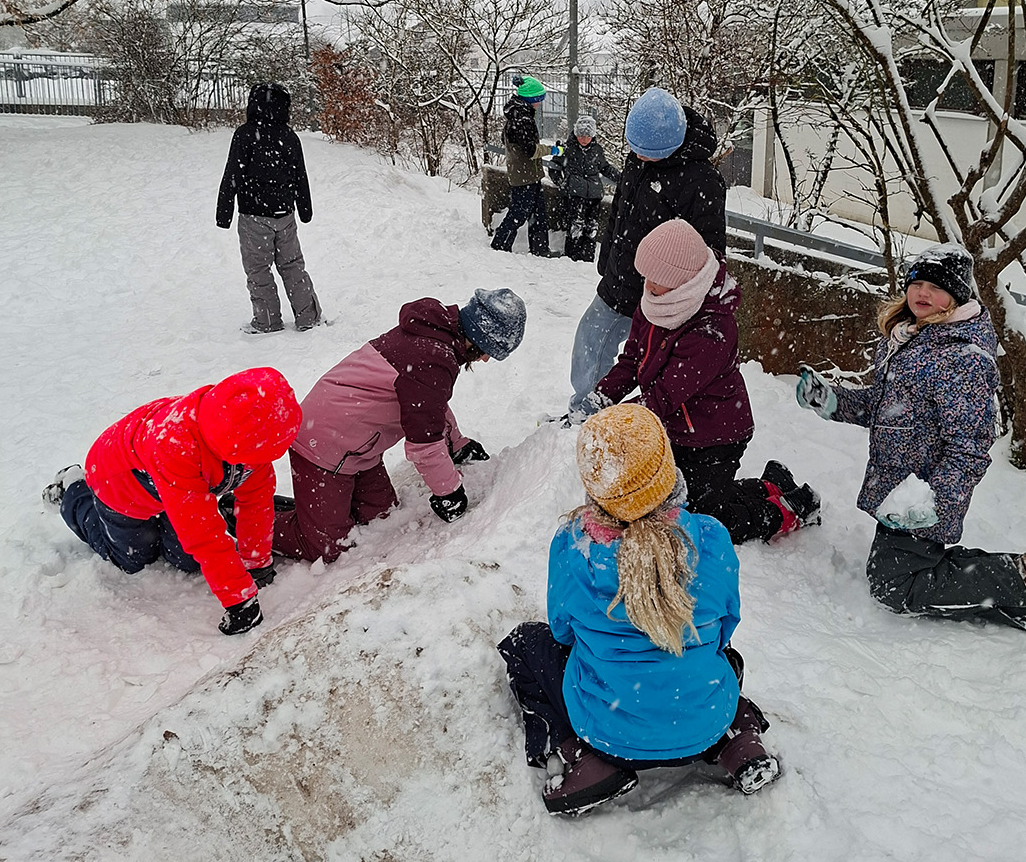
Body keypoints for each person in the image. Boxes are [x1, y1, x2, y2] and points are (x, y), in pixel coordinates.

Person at [795, 244, 1026, 646]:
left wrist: (934, 501)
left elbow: (969, 447)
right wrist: (835, 401)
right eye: (917, 283)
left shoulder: (962, 357)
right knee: (895, 573)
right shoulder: (910, 337)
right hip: (899, 488)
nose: (922, 293)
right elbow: (885, 406)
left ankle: (1019, 582)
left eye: (935, 286)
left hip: (924, 493)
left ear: (958, 295)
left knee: (894, 587)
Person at [498, 404, 782, 817]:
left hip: (608, 731)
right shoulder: (712, 538)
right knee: (722, 661)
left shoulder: (572, 547)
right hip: (705, 720)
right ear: (667, 469)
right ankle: (736, 741)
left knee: (526, 644)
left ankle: (581, 756)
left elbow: (562, 634)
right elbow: (724, 630)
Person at [594, 219, 820, 543]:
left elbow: (665, 395)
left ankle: (792, 510)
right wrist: (600, 399)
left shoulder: (713, 329)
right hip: (674, 427)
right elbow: (632, 360)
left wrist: (613, 423)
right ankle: (770, 486)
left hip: (715, 434)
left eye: (655, 278)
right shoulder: (655, 302)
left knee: (707, 520)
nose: (646, 284)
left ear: (680, 282)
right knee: (677, 501)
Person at [271, 288, 527, 563]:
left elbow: (429, 405)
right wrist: (449, 492)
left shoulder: (436, 338)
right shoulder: (432, 356)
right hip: (323, 445)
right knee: (329, 548)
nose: (486, 359)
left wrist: (457, 444)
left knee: (382, 517)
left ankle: (311, 513)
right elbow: (424, 445)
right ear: (480, 337)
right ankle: (252, 523)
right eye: (488, 351)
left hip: (357, 449)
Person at [43, 367, 302, 635]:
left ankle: (165, 517)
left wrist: (256, 563)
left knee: (187, 561)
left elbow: (257, 501)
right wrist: (240, 601)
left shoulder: (253, 433)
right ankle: (73, 492)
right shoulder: (175, 443)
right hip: (118, 485)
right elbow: (204, 536)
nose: (261, 462)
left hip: (174, 490)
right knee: (133, 560)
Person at [568, 86, 727, 418]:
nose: (637, 156)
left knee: (649, 365)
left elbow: (708, 252)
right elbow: (620, 210)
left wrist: (681, 298)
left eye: (645, 152)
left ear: (671, 147)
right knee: (590, 339)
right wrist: (607, 252)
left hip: (660, 294)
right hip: (619, 277)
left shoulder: (702, 181)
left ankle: (611, 421)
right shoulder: (639, 159)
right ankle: (586, 410)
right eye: (634, 149)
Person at [216, 81, 322, 334]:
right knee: (292, 265)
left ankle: (267, 321)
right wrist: (304, 209)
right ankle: (308, 317)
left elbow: (233, 173)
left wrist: (224, 212)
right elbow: (300, 176)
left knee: (258, 270)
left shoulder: (245, 134)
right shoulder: (289, 136)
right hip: (284, 216)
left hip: (253, 216)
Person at [490, 74, 553, 258]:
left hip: (528, 174)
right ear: (531, 99)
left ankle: (540, 249)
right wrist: (553, 150)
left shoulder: (517, 114)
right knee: (520, 213)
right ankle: (500, 245)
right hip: (523, 175)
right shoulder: (521, 119)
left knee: (538, 213)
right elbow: (530, 150)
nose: (540, 103)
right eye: (539, 99)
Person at [546, 114, 620, 262]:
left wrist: (621, 178)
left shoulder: (597, 150)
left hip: (594, 194)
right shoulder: (567, 148)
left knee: (592, 226)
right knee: (575, 225)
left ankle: (588, 256)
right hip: (574, 194)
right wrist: (561, 183)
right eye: (581, 135)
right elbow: (554, 167)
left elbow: (604, 167)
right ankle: (572, 256)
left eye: (587, 136)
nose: (584, 139)